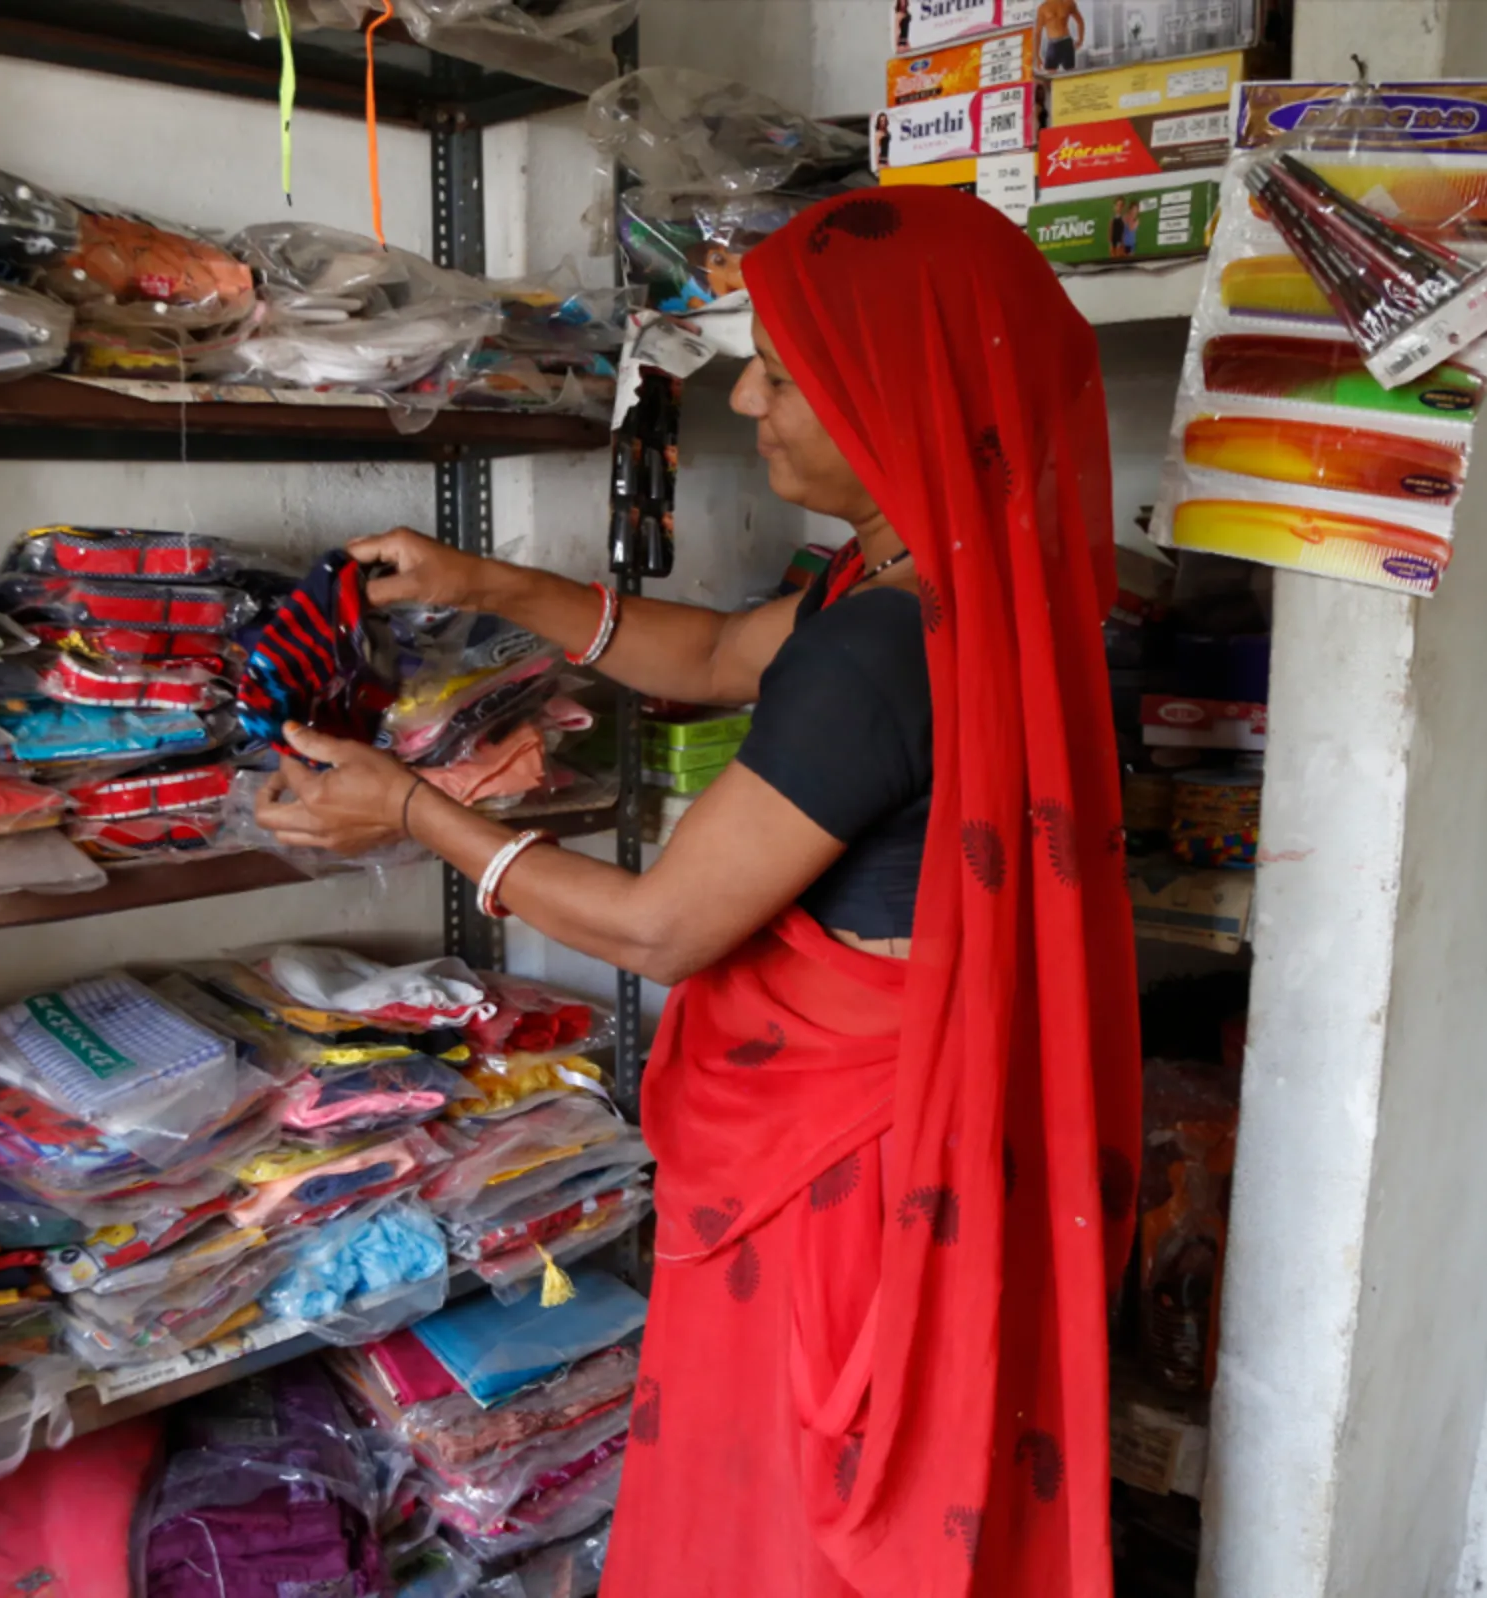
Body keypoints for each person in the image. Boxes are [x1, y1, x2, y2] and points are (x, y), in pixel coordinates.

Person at [256, 187, 1141, 1597]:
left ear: (892, 392)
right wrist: (489, 580)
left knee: (799, 1509)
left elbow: (665, 923)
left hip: (842, 1174)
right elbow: (724, 654)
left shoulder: (879, 650)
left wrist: (410, 806)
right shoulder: (948, 571)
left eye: (787, 370)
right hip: (918, 1132)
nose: (749, 394)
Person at [1036, 0, 1087, 72]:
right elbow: (1038, 32)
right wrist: (1037, 55)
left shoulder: (1068, 3)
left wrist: (1080, 39)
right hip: (1053, 44)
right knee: (1050, 76)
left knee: (1070, 74)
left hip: (1066, 42)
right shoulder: (1043, 8)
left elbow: (1080, 21)